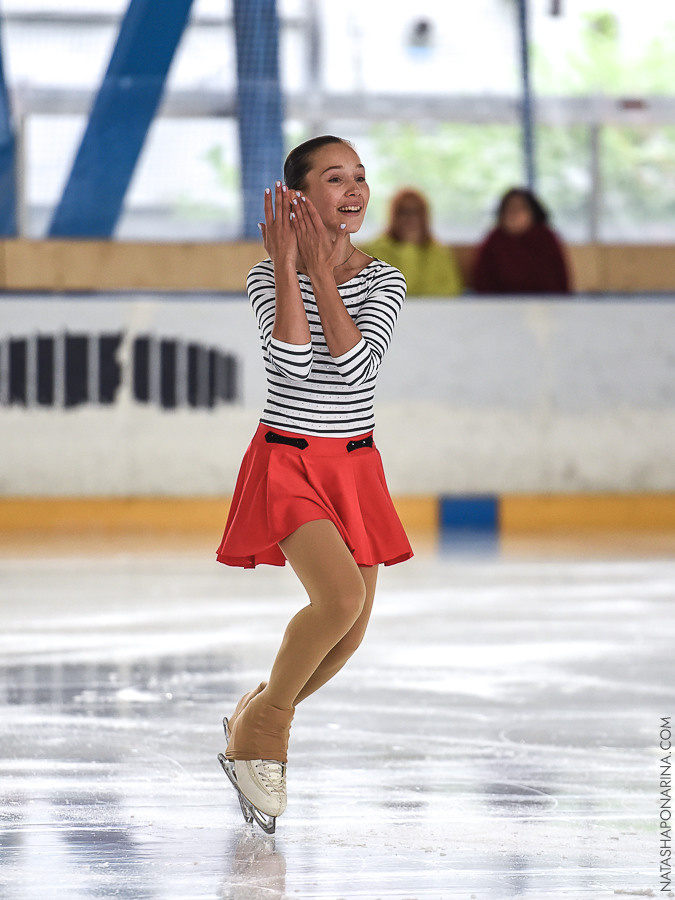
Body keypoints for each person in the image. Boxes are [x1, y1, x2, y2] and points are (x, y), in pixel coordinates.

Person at [215, 135, 413, 833]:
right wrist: (289, 268)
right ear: (300, 198)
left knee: (349, 634)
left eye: (360, 175)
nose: (355, 189)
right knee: (338, 599)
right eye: (336, 178)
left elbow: (357, 372)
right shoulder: (264, 276)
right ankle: (263, 735)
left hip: (355, 466)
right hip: (289, 462)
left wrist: (322, 276)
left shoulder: (386, 279)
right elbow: (295, 368)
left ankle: (255, 710)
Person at [362, 188, 463, 296]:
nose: (410, 219)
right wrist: (409, 248)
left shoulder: (439, 253)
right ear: (393, 216)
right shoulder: (374, 251)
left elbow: (452, 291)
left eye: (416, 212)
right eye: (403, 212)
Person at [472, 187, 571, 294]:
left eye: (520, 208)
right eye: (509, 208)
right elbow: (482, 284)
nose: (514, 213)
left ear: (532, 213)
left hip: (543, 304)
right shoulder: (493, 240)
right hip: (500, 304)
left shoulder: (546, 238)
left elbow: (559, 282)